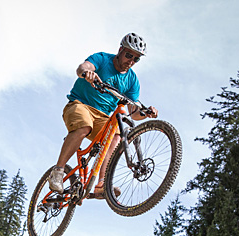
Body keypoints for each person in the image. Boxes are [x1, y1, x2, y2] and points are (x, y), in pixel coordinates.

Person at [48, 32, 158, 197]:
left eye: (136, 59)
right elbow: (83, 68)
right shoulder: (102, 59)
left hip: (104, 119)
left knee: (117, 135)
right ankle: (58, 171)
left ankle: (102, 184)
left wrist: (145, 113)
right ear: (120, 50)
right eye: (129, 55)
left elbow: (133, 112)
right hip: (80, 105)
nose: (131, 61)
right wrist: (88, 73)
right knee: (85, 125)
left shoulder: (132, 80)